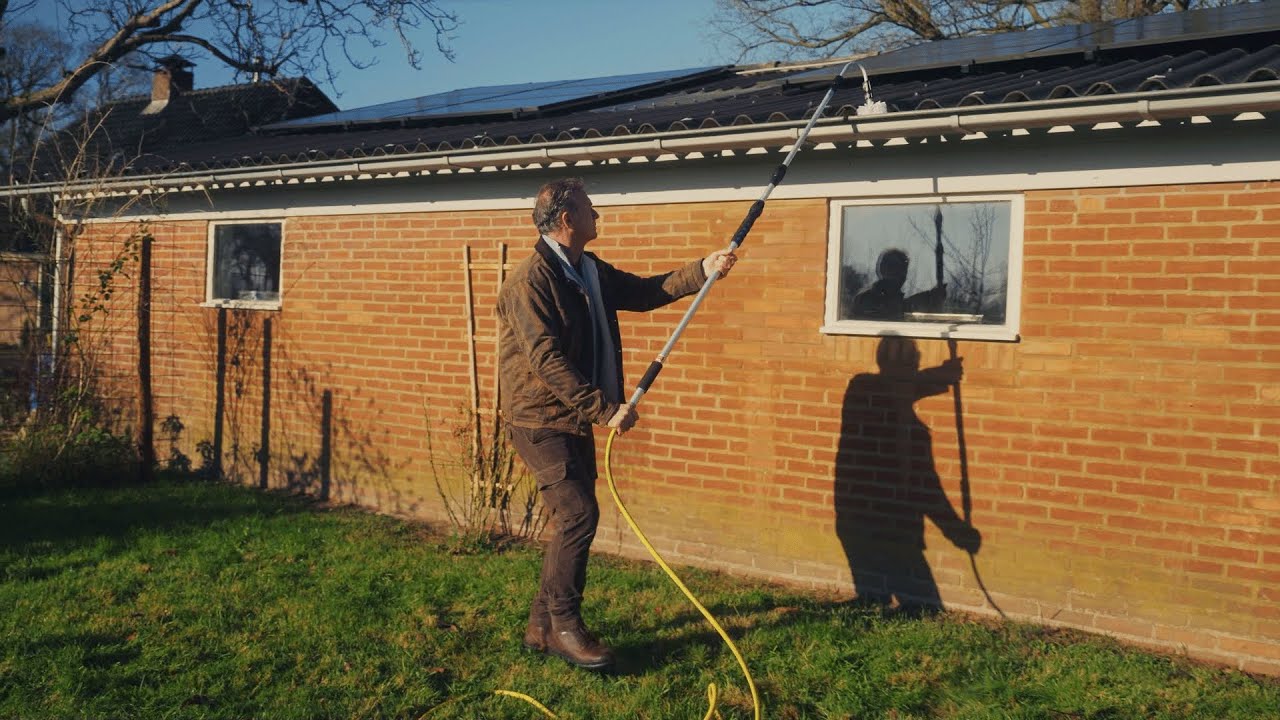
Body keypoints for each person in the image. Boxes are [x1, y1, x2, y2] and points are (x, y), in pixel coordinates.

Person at [496, 178, 737, 671]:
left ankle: (541, 627)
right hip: (539, 419)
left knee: (572, 518)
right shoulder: (531, 280)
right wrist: (604, 409)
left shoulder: (586, 269)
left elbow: (646, 292)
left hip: (571, 416)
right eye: (589, 210)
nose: (597, 215)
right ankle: (565, 627)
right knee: (580, 515)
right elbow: (546, 360)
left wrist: (703, 270)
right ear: (566, 220)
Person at [852, 248, 946, 320]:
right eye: (896, 269)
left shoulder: (900, 301)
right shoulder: (865, 300)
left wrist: (932, 297)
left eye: (904, 270)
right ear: (883, 269)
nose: (902, 276)